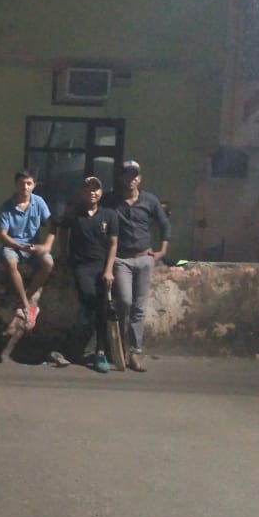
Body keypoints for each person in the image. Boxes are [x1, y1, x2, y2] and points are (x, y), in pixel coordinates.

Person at [105, 159, 171, 372]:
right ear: (121, 178)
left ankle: (135, 352)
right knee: (124, 301)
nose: (131, 180)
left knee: (139, 307)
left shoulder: (149, 200)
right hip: (122, 259)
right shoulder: (112, 201)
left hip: (144, 258)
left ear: (140, 179)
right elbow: (93, 209)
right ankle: (119, 347)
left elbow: (164, 224)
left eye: (135, 176)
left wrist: (162, 251)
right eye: (127, 175)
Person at [60, 176, 118, 373]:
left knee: (102, 307)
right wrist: (63, 255)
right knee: (88, 296)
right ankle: (86, 317)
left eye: (96, 189)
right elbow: (62, 230)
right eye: (88, 189)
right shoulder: (74, 213)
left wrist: (109, 270)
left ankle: (100, 352)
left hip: (101, 266)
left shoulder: (109, 215)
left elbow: (113, 244)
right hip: (81, 265)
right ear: (83, 192)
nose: (92, 192)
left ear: (101, 192)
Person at [0, 170, 54, 329]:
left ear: (34, 185)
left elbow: (52, 227)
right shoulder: (7, 206)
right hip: (13, 246)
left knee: (48, 262)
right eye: (22, 184)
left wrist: (46, 246)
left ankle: (24, 301)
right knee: (11, 263)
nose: (25, 187)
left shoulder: (39, 202)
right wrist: (19, 246)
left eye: (29, 183)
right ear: (16, 185)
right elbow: (2, 235)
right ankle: (25, 304)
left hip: (33, 246)